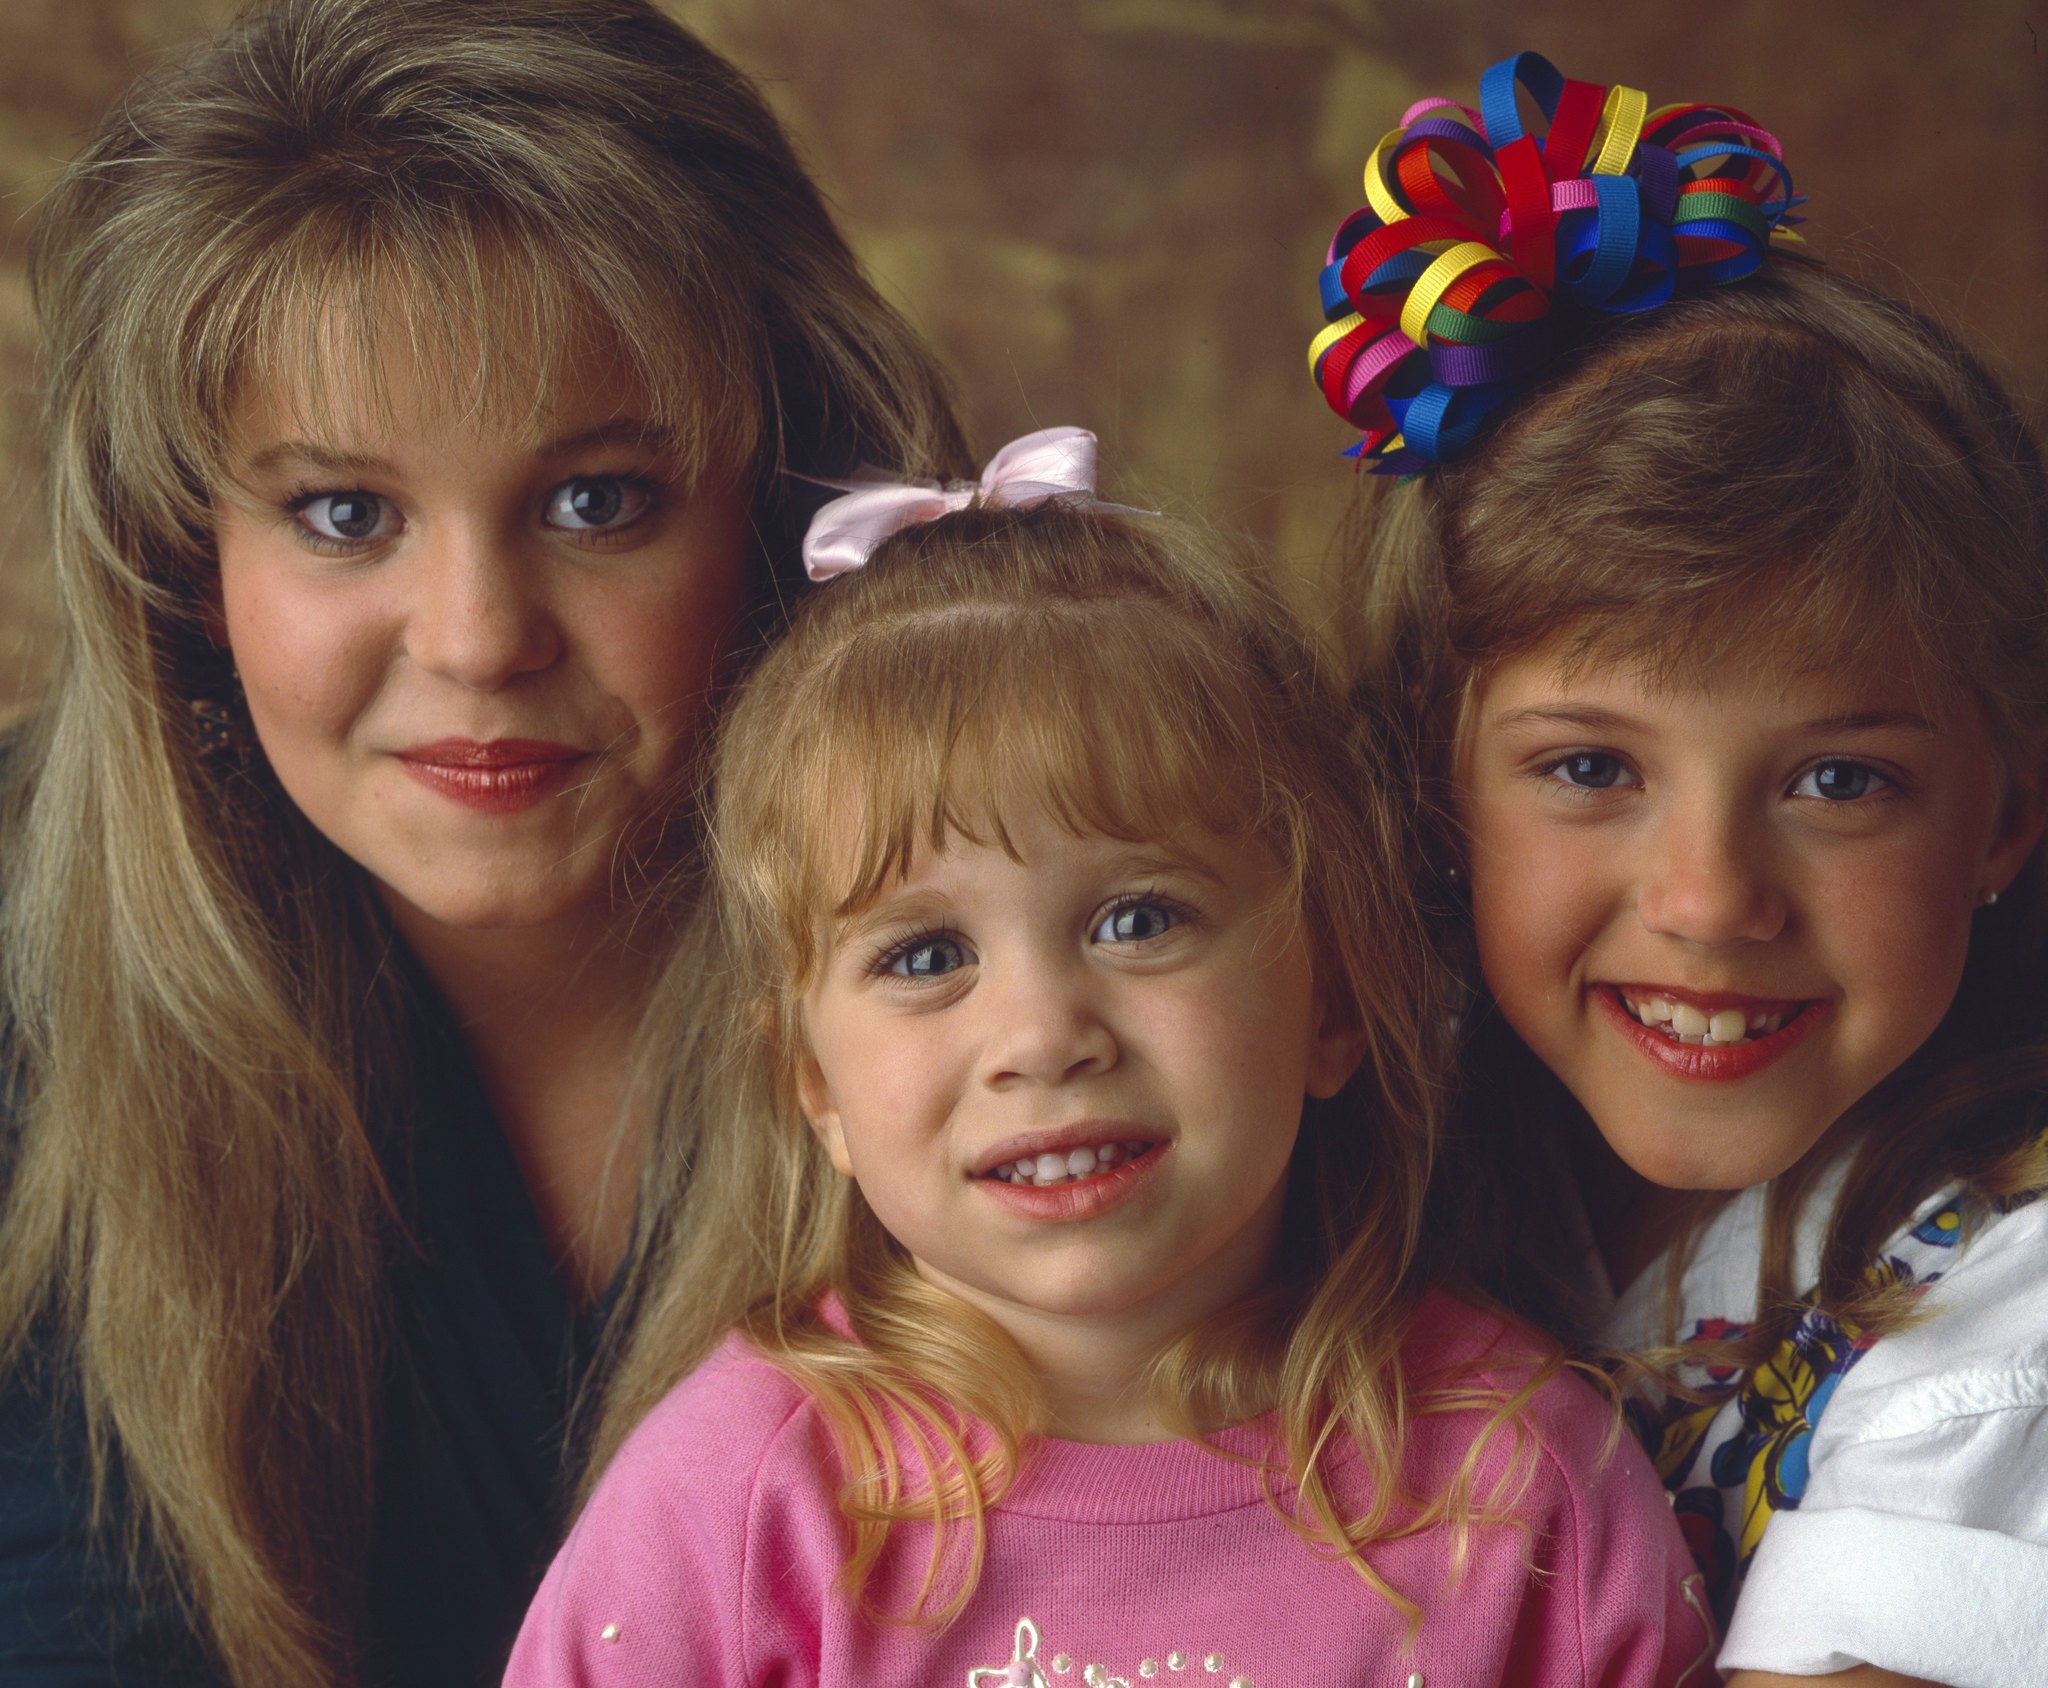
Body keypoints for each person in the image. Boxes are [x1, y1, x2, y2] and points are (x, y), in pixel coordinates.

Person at [0, 1, 970, 1684]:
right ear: (181, 555)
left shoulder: (1045, 952)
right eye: (344, 513)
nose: (475, 638)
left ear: (788, 497)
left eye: (597, 499)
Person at [502, 436, 1715, 1686]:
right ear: (816, 1089)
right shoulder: (737, 1502)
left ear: (1334, 999)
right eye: (924, 956)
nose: (1040, 1036)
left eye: (1138, 919)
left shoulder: (1525, 1485)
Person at [1312, 51, 2048, 1688]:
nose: (1709, 896)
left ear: (2006, 807)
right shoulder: (1351, 1151)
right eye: (1589, 769)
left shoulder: (2011, 1310)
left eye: (1838, 779)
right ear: (1429, 778)